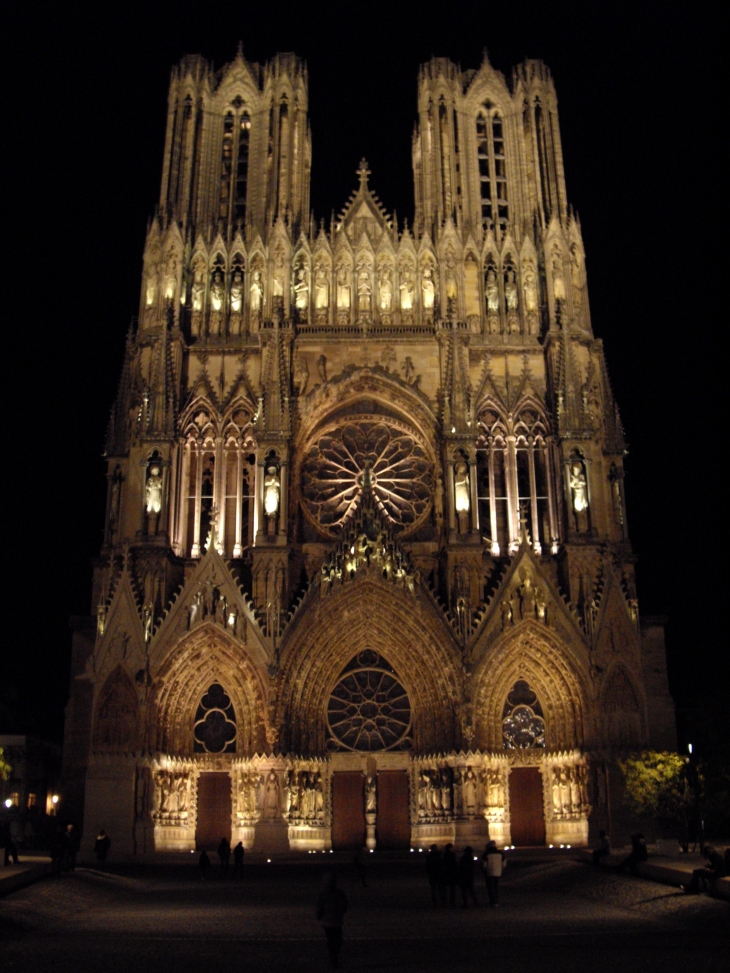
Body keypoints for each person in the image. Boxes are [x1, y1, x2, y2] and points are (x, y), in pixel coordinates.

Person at [316, 870, 348, 969]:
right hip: (336, 920)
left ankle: (333, 956)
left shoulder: (324, 894)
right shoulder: (339, 893)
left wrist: (319, 915)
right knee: (337, 939)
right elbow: (345, 905)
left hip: (328, 921)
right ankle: (334, 957)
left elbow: (319, 907)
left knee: (332, 939)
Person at [480, 840, 506, 907]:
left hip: (489, 873)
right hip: (498, 873)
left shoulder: (486, 854)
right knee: (496, 887)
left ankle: (493, 902)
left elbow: (484, 865)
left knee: (491, 888)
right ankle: (496, 901)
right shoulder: (501, 853)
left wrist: (484, 871)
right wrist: (500, 869)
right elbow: (504, 864)